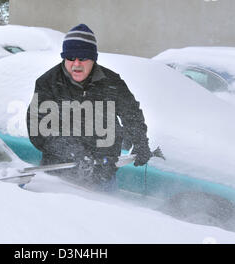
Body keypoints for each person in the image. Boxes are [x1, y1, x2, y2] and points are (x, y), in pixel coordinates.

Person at [26, 24, 152, 191]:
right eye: (70, 58)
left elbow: (131, 113)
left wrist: (140, 141)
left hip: (103, 178)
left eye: (83, 58)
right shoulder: (48, 83)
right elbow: (38, 129)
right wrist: (72, 151)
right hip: (60, 178)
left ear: (93, 58)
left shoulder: (111, 82)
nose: (76, 64)